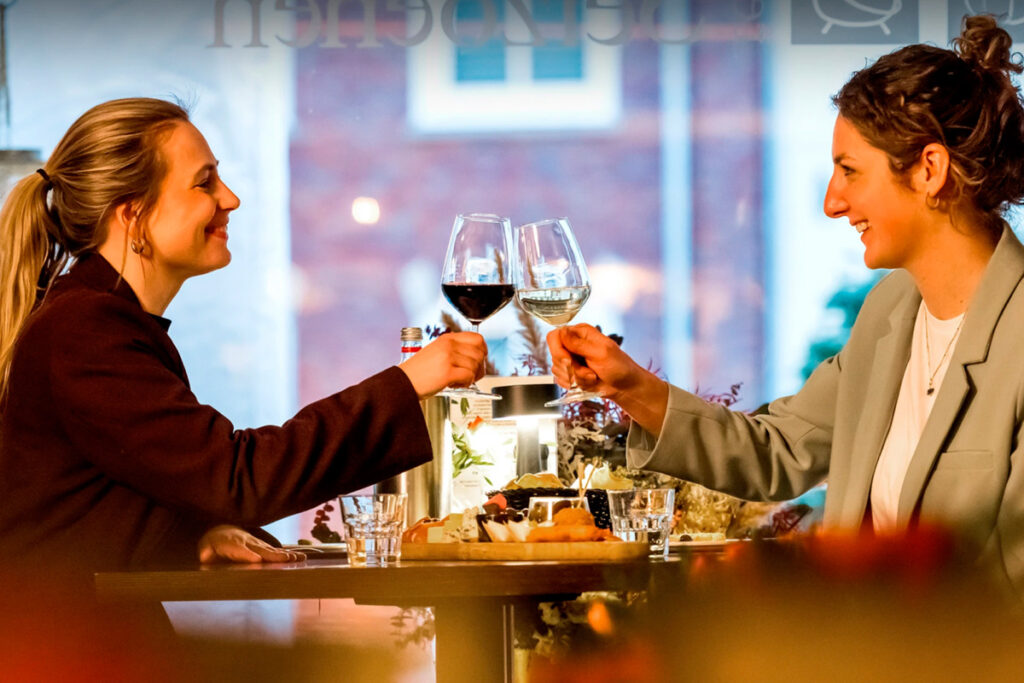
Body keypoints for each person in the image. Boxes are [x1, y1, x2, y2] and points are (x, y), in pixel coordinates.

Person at [548, 15, 1024, 601]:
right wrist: (630, 387)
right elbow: (779, 450)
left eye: (849, 171)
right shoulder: (889, 314)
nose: (832, 201)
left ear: (929, 169)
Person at [0, 98, 487, 586]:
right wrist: (407, 382)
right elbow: (237, 479)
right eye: (204, 182)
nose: (229, 198)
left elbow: (91, 496)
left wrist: (193, 533)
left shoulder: (95, 317)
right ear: (132, 214)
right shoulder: (87, 327)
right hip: (62, 649)